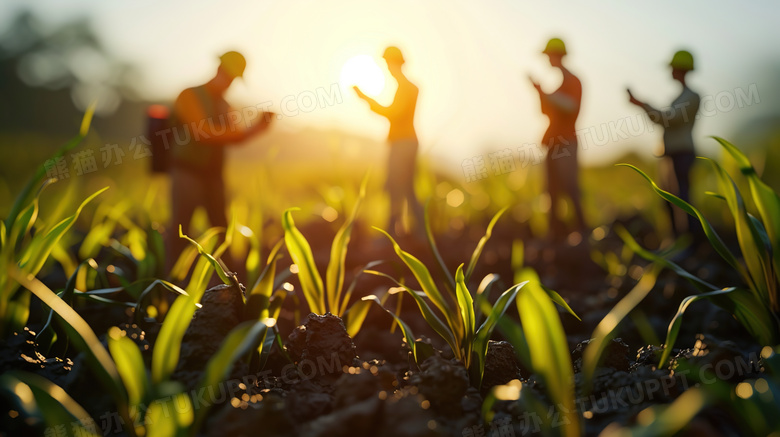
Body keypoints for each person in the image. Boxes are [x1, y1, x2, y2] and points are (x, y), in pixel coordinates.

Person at [167, 51, 272, 269]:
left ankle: (229, 285)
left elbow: (233, 137)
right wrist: (248, 131)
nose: (230, 83)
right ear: (218, 70)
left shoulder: (225, 105)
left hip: (214, 177)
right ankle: (169, 283)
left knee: (221, 231)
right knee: (180, 230)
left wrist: (258, 129)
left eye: (234, 79)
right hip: (187, 173)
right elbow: (203, 133)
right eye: (229, 76)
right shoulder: (189, 95)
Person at [354, 46, 424, 237]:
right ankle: (419, 234)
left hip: (402, 143)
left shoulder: (405, 87)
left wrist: (366, 99)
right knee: (408, 189)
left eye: (387, 63)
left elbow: (394, 113)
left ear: (395, 63)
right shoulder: (411, 87)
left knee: (395, 187)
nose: (386, 67)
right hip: (410, 141)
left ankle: (393, 233)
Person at [628, 50, 700, 235]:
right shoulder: (681, 98)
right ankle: (676, 239)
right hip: (671, 154)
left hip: (681, 154)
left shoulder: (692, 97)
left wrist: (642, 104)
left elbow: (669, 119)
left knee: (681, 199)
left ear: (680, 70)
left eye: (673, 68)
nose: (671, 72)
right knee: (668, 200)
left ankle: (689, 240)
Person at [529, 38, 586, 241]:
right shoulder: (557, 87)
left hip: (566, 144)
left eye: (549, 55)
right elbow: (545, 112)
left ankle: (582, 231)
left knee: (570, 187)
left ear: (558, 56)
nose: (548, 60)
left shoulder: (573, 82)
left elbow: (570, 107)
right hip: (552, 144)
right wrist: (539, 93)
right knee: (551, 191)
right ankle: (555, 234)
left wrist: (543, 93)